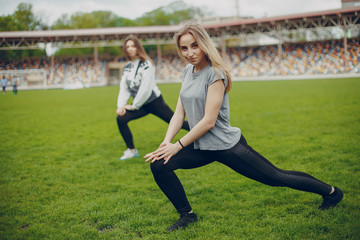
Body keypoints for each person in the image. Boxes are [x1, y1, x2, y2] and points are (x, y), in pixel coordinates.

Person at [145, 23, 343, 232]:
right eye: (184, 48)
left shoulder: (216, 74)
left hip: (225, 145)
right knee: (159, 164)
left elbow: (209, 121)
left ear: (204, 44)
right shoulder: (187, 71)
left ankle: (331, 193)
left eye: (195, 46)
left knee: (275, 177)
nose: (190, 53)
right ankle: (187, 215)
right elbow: (179, 112)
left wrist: (178, 145)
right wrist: (167, 141)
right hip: (201, 145)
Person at [116, 35, 190, 160]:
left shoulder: (147, 64)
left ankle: (204, 132)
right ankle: (132, 151)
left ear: (138, 48)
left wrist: (134, 106)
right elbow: (124, 88)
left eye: (133, 46)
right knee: (121, 119)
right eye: (127, 46)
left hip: (154, 102)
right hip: (140, 105)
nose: (130, 49)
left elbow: (145, 89)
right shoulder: (127, 67)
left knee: (177, 123)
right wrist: (121, 106)